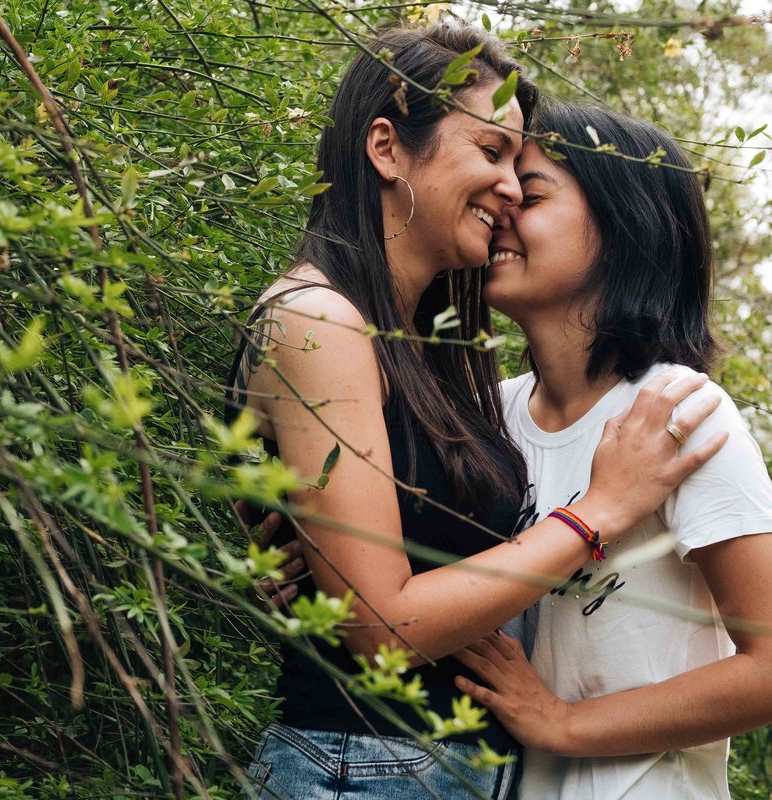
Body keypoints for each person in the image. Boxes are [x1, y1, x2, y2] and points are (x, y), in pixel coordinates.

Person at [227, 24, 727, 800]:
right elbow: (380, 628)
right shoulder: (318, 319)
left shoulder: (425, 349)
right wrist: (596, 512)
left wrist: (310, 565)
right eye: (491, 154)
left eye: (523, 176)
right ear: (388, 149)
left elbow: (392, 577)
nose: (508, 190)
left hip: (437, 771)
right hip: (363, 769)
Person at [450, 101, 772, 799]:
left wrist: (562, 723)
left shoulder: (676, 414)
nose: (499, 206)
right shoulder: (489, 416)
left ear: (624, 227)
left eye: (529, 194)